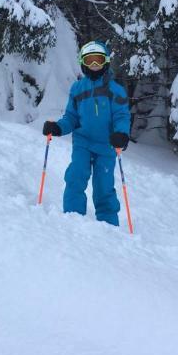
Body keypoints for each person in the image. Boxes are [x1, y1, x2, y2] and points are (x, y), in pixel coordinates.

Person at [43, 40, 131, 226]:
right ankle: (73, 220)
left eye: (98, 60)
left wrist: (121, 134)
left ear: (105, 62)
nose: (94, 65)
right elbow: (71, 117)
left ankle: (109, 226)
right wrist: (58, 128)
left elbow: (122, 116)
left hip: (106, 146)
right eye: (89, 60)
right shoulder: (77, 88)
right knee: (76, 175)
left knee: (103, 186)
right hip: (83, 142)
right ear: (83, 63)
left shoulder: (116, 90)